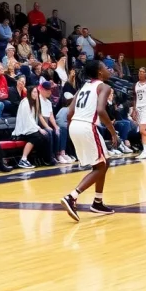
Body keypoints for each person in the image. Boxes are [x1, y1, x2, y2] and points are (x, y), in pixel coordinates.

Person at [60, 60, 119, 222]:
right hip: (87, 126)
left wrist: (75, 130)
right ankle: (72, 196)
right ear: (100, 72)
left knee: (103, 163)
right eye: (105, 68)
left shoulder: (82, 88)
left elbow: (69, 113)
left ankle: (97, 202)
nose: (108, 70)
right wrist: (113, 132)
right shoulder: (104, 87)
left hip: (75, 125)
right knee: (100, 166)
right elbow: (100, 110)